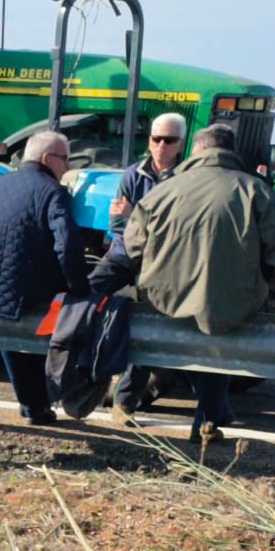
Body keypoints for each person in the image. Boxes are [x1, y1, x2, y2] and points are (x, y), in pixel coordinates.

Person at [113, 123, 275, 443]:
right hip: (231, 297)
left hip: (163, 295)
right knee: (217, 348)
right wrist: (264, 280)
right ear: (230, 152)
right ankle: (207, 423)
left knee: (152, 339)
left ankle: (125, 401)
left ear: (197, 150)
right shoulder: (255, 190)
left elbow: (132, 244)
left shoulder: (165, 189)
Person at [0, 130, 89, 424]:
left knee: (10, 332)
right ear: (47, 159)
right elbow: (67, 244)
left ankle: (33, 405)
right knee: (41, 328)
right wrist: (79, 288)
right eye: (65, 160)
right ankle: (37, 403)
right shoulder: (52, 192)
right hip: (23, 291)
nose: (66, 168)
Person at [108, 113, 187, 424]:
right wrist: (136, 224)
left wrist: (134, 215)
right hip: (127, 256)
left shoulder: (184, 179)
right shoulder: (133, 173)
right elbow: (116, 224)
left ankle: (124, 401)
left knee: (148, 329)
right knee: (87, 296)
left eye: (168, 140)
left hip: (163, 265)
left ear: (180, 144)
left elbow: (177, 232)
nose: (160, 146)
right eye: (156, 139)